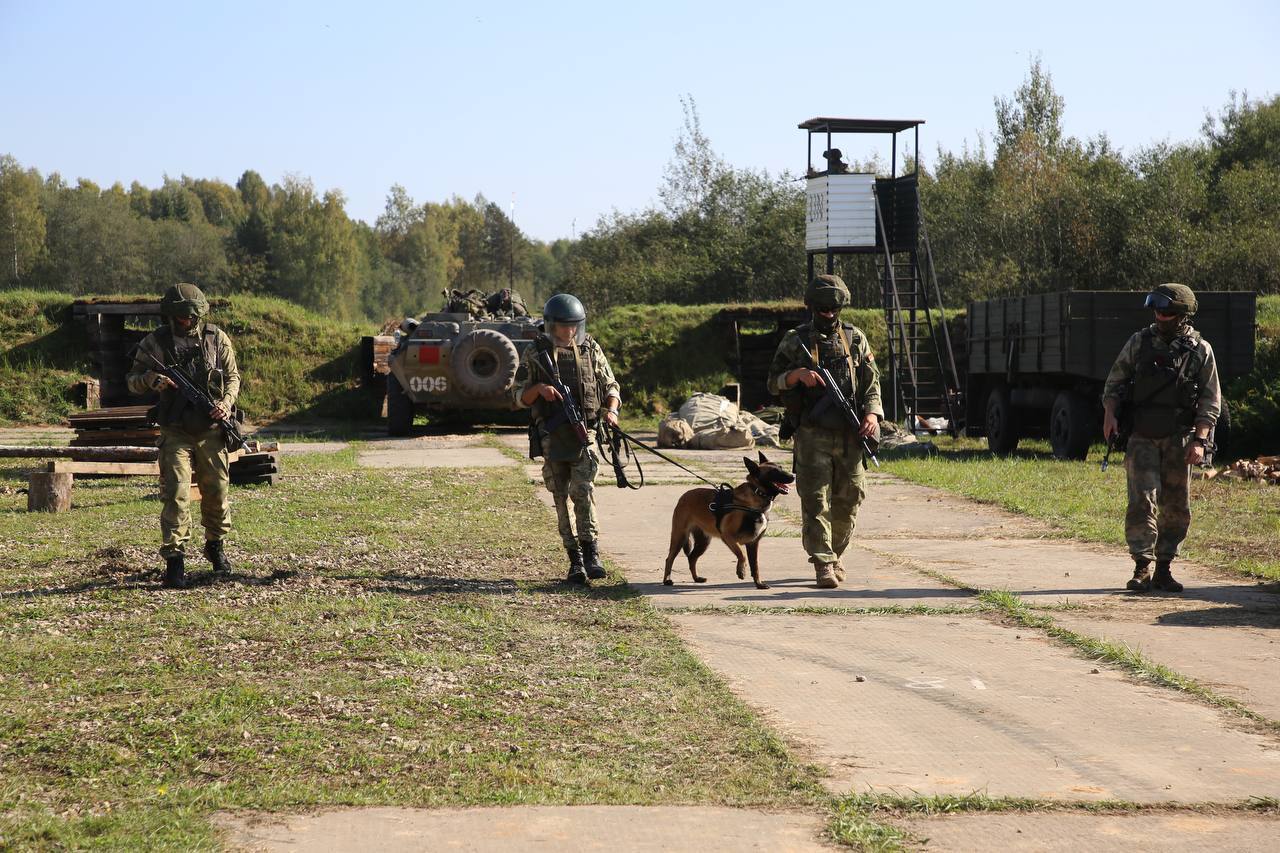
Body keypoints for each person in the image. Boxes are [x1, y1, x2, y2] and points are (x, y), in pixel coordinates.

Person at [1102, 283, 1221, 593]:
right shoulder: (1139, 343)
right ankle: (1141, 566)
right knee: (1141, 500)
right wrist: (1110, 414)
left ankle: (1164, 568)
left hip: (1180, 438)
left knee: (1176, 506)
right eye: (1156, 309)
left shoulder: (1200, 350)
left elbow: (1210, 401)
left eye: (1166, 310)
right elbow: (1114, 383)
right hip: (1142, 435)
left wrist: (1200, 439)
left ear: (1182, 314)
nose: (1160, 315)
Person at [768, 274, 883, 589]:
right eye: (822, 307)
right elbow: (772, 381)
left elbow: (872, 384)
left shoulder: (855, 338)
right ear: (811, 306)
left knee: (850, 498)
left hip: (850, 433)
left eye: (833, 307)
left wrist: (872, 414)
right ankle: (822, 563)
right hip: (812, 434)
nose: (828, 313)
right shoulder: (796, 340)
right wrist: (796, 376)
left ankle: (835, 553)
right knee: (816, 500)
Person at [127, 283, 241, 589]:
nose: (185, 322)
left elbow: (232, 377)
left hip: (211, 428)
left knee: (216, 490)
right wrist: (153, 380)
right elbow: (132, 381)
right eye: (180, 317)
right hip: (174, 429)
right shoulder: (155, 342)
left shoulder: (216, 339)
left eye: (190, 317)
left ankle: (215, 546)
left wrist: (225, 404)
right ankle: (175, 560)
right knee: (176, 492)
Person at [513, 293, 621, 584]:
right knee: (560, 497)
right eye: (563, 326)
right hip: (551, 435)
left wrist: (611, 410)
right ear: (551, 325)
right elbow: (517, 396)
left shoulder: (590, 348)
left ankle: (592, 552)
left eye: (574, 325)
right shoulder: (535, 352)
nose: (569, 331)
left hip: (585, 432)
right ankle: (574, 560)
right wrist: (540, 390)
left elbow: (610, 384)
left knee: (583, 489)